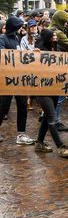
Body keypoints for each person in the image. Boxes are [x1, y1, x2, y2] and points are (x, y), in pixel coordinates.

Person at [33, 29, 68, 158]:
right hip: (42, 90)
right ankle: (60, 146)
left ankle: (39, 143)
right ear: (47, 38)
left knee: (47, 116)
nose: (55, 37)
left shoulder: (57, 49)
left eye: (56, 35)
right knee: (51, 116)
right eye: (53, 36)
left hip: (55, 88)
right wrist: (34, 56)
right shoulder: (39, 49)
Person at [0, 17, 35, 145]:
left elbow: (21, 54)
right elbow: (3, 55)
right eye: (19, 26)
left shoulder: (16, 38)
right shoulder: (2, 39)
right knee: (3, 107)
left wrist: (32, 54)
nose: (22, 28)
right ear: (13, 27)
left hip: (19, 79)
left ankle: (21, 134)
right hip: (7, 80)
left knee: (22, 106)